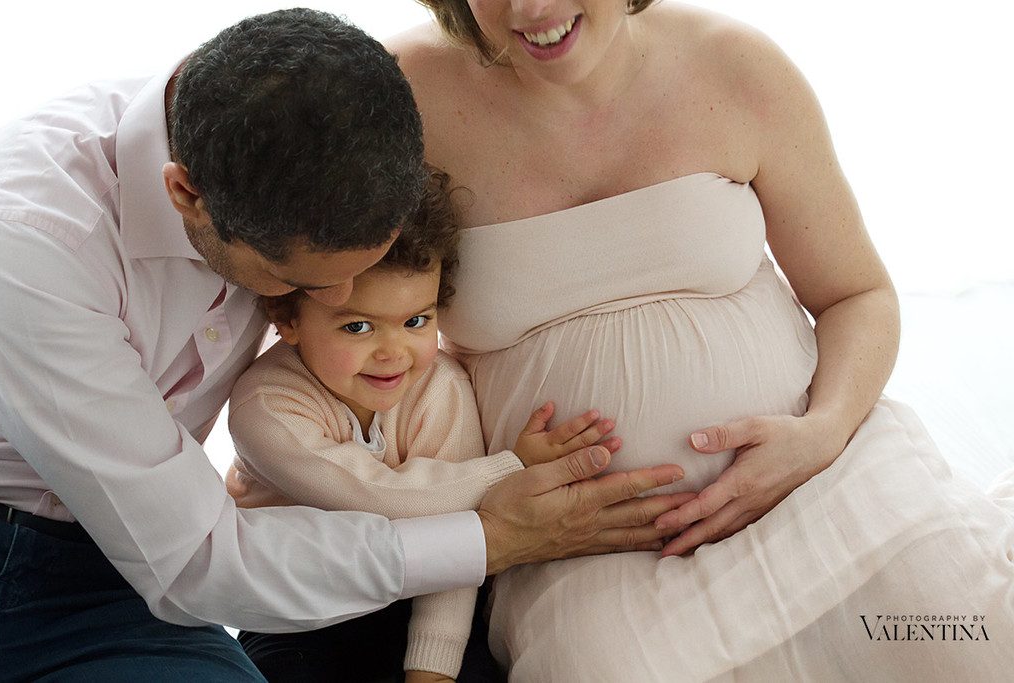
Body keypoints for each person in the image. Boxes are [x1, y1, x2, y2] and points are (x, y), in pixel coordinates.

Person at [0, 8, 686, 680]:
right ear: (187, 196)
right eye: (297, 282)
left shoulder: (304, 119)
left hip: (145, 552)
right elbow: (197, 564)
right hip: (30, 549)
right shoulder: (34, 249)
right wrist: (495, 537)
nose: (341, 301)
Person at [388, 0, 1014, 678]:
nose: (532, 8)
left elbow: (857, 295)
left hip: (821, 483)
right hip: (592, 553)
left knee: (967, 640)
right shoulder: (404, 99)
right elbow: (337, 308)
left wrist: (823, 432)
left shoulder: (734, 65)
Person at [225, 170, 620, 682]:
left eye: (416, 321)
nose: (393, 354)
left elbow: (460, 543)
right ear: (288, 318)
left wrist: (430, 670)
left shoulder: (440, 388)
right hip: (301, 613)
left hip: (420, 597)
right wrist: (510, 468)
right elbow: (381, 497)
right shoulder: (266, 405)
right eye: (357, 326)